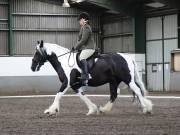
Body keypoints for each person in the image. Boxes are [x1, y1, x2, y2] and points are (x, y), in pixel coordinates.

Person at [73, 12, 96, 86]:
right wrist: (75, 47)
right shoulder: (83, 28)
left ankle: (86, 76)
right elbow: (79, 40)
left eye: (80, 20)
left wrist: (76, 47)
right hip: (85, 48)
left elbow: (83, 40)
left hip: (90, 48)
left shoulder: (86, 27)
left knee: (82, 57)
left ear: (83, 19)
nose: (79, 22)